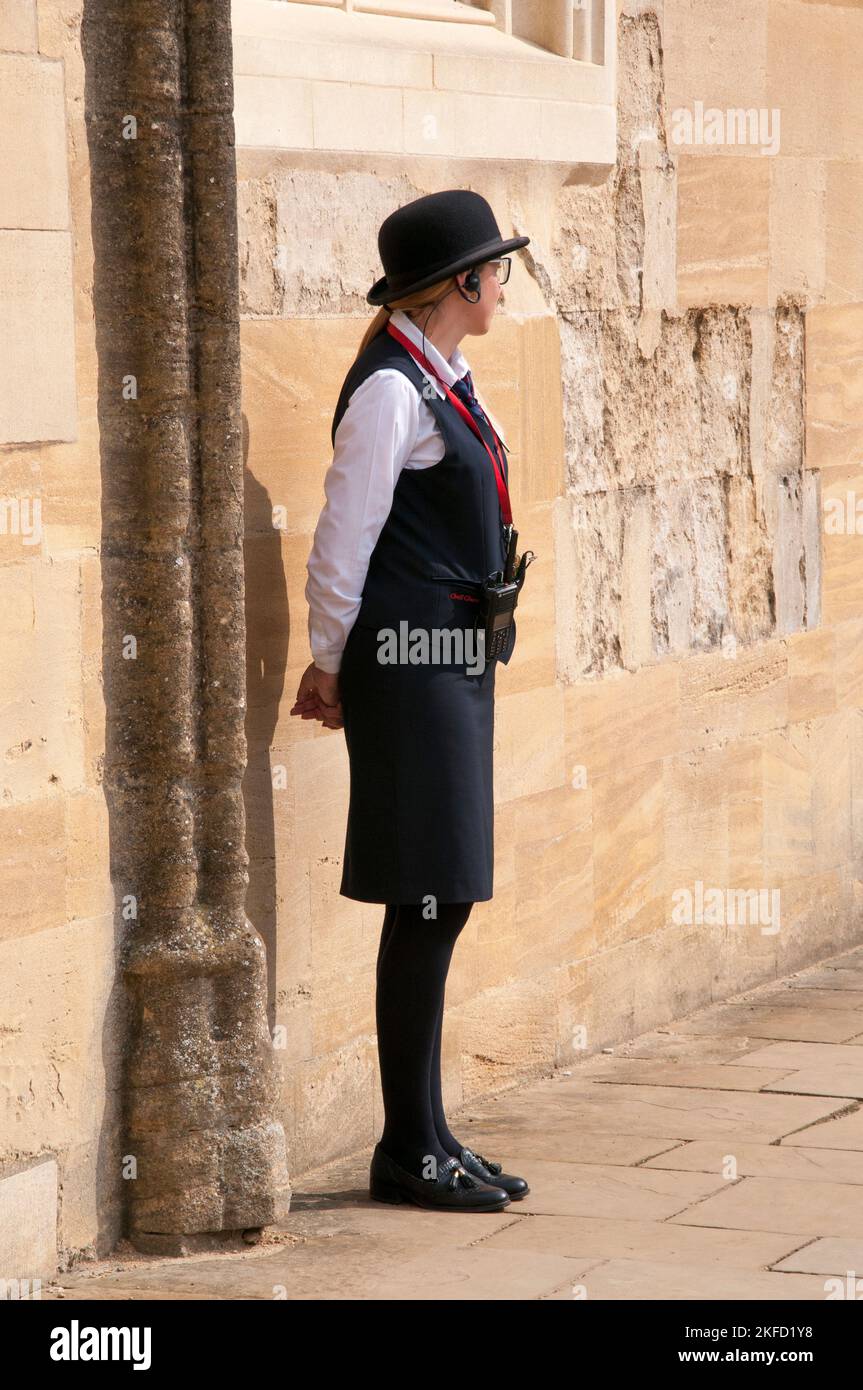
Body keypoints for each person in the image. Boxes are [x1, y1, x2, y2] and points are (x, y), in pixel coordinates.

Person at [291, 189, 533, 1211]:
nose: (501, 286)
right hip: (408, 661)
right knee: (428, 892)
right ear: (462, 283)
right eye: (495, 270)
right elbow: (342, 535)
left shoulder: (445, 376)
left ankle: (428, 1133)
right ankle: (405, 1148)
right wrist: (327, 659)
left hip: (447, 659)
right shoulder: (392, 392)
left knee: (444, 891)